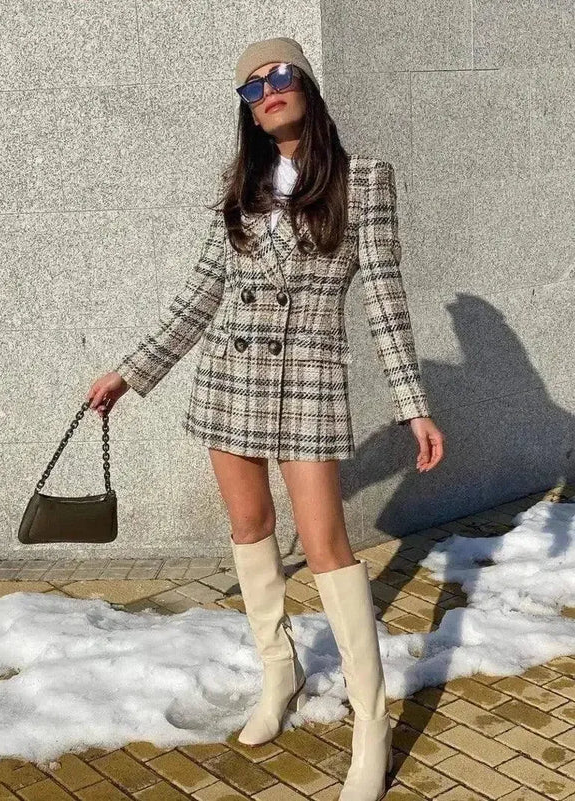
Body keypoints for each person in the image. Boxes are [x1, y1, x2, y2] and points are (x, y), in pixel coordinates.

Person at [87, 36, 445, 801]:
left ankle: (370, 723)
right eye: (251, 86)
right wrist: (130, 371)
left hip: (309, 381)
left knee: (326, 546)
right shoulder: (241, 186)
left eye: (279, 74)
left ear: (306, 84)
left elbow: (384, 298)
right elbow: (200, 296)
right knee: (249, 526)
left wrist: (412, 404)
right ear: (248, 111)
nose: (267, 89)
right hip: (230, 378)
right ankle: (277, 673)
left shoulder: (363, 179)